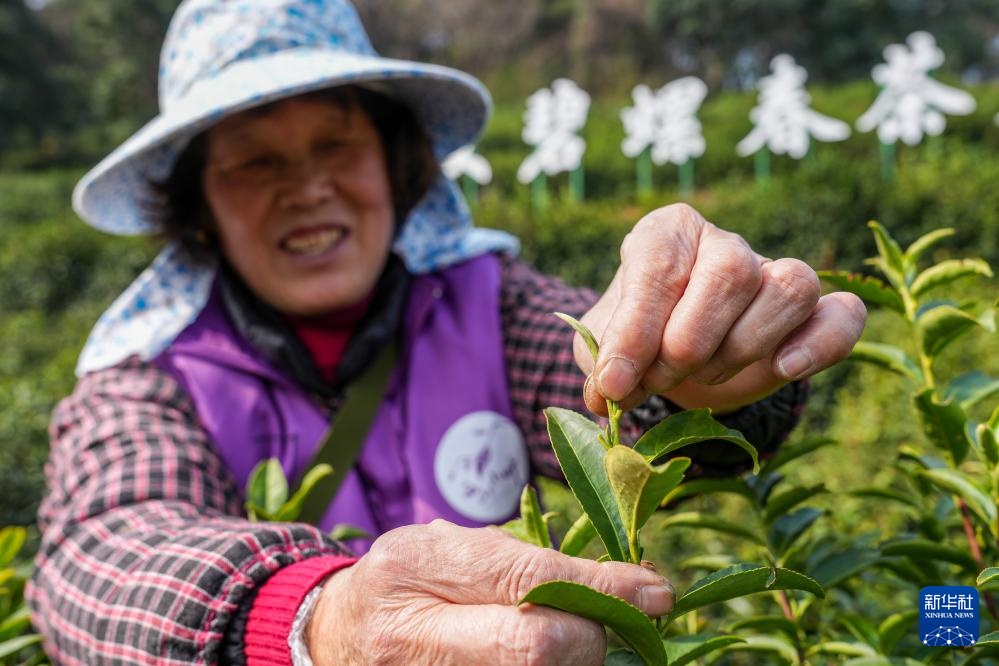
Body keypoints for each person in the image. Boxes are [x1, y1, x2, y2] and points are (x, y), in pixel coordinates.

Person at [26, 1, 867, 664]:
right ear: (201, 206)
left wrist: (688, 355)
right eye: (255, 160)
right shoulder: (147, 374)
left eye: (336, 144)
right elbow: (103, 555)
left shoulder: (486, 304)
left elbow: (598, 377)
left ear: (393, 166)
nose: (308, 187)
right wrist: (311, 622)